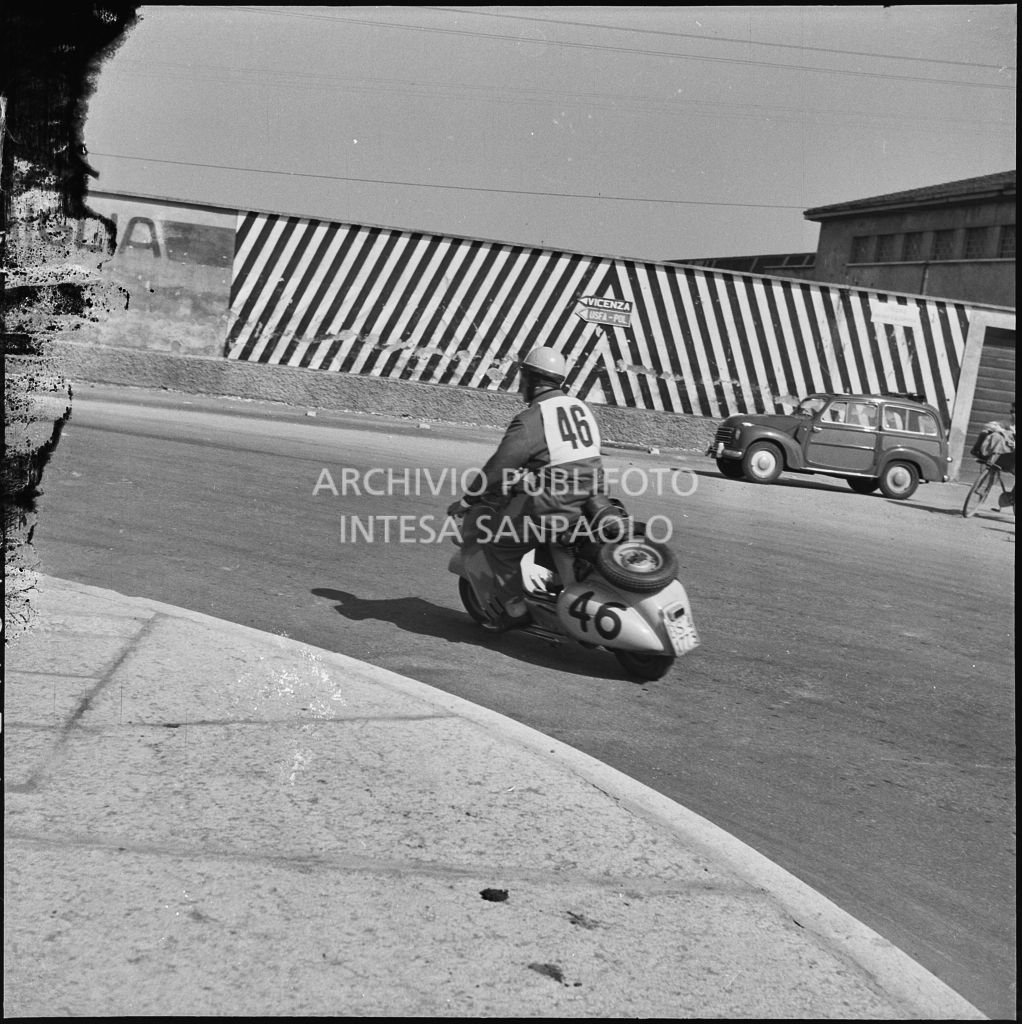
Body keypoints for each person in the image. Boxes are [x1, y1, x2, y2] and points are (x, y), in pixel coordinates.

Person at [447, 346, 603, 629]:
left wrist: (468, 500)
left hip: (556, 504)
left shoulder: (532, 419)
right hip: (591, 498)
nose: (521, 385)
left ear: (532, 380)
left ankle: (515, 610)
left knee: (500, 543)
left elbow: (500, 466)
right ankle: (556, 581)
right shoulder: (580, 408)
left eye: (524, 378)